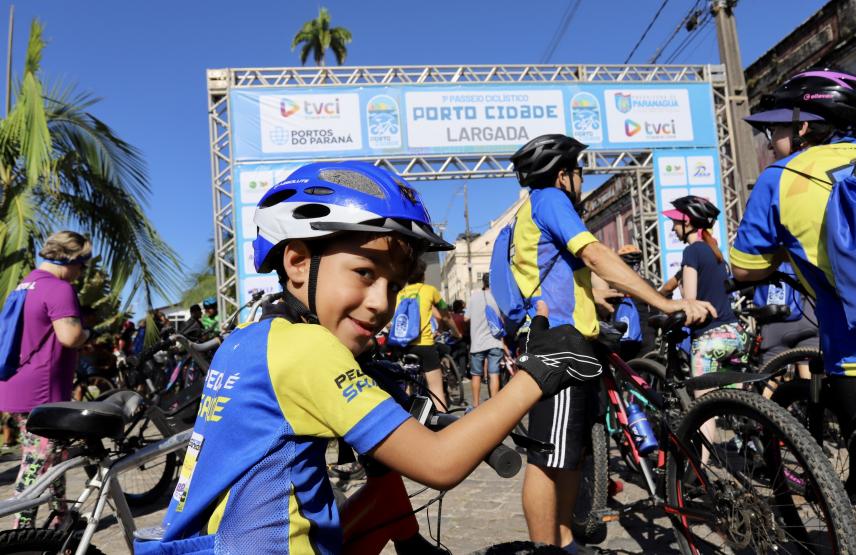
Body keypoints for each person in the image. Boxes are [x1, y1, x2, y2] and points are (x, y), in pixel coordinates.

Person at [137, 161, 600, 555]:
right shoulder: (309, 349)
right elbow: (439, 465)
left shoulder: (250, 338)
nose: (381, 302)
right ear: (298, 262)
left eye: (394, 285)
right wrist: (536, 374)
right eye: (364, 272)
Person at [730, 68, 856, 552]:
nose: (772, 142)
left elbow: (746, 267)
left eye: (777, 130)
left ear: (806, 127)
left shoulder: (781, 178)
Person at [505, 134, 715, 551]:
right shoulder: (550, 199)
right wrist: (663, 301)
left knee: (572, 456)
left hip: (572, 342)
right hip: (557, 348)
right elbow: (596, 255)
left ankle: (564, 540)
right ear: (564, 175)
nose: (582, 180)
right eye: (580, 173)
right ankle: (547, 548)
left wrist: (600, 298)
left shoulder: (538, 207)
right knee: (548, 461)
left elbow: (563, 278)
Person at [0, 231, 92, 527]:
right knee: (36, 466)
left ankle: (61, 521)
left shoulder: (25, 284)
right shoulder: (58, 288)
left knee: (56, 456)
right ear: (71, 258)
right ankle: (20, 534)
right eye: (84, 263)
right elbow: (70, 336)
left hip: (17, 385)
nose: (83, 271)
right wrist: (88, 334)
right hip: (42, 392)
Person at [663, 196, 748, 383]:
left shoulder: (692, 251)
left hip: (711, 338)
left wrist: (682, 295)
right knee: (735, 406)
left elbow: (691, 303)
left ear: (687, 221)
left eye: (675, 223)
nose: (673, 228)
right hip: (735, 335)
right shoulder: (715, 252)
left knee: (706, 409)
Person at [393, 258, 461, 411]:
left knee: (408, 388)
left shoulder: (400, 294)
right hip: (425, 346)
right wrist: (457, 333)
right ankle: (442, 426)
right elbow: (445, 315)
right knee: (436, 390)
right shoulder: (430, 290)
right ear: (423, 274)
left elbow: (392, 320)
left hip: (406, 346)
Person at [466, 273, 504, 407]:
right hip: (495, 341)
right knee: (494, 373)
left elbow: (466, 318)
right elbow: (502, 318)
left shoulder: (474, 297)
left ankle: (476, 405)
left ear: (483, 282)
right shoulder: (498, 298)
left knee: (476, 374)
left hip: (477, 342)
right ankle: (494, 404)